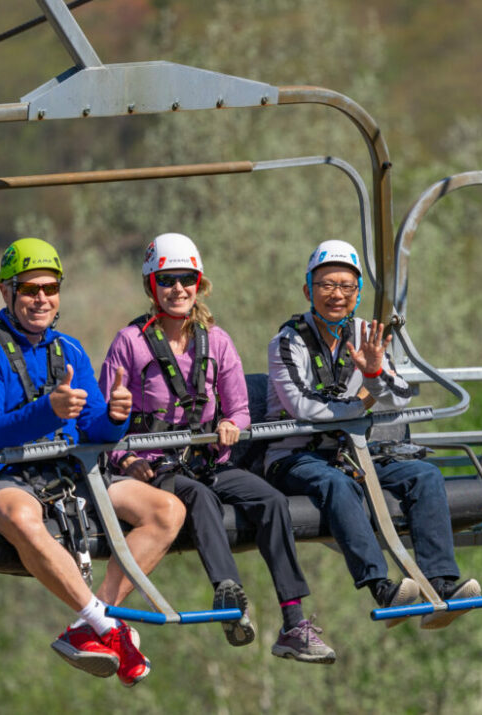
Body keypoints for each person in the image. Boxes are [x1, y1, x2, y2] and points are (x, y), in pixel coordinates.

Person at [0, 237, 186, 685]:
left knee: (167, 511)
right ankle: (107, 625)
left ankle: (89, 625)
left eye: (50, 289)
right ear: (7, 293)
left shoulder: (67, 350)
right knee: (20, 513)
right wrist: (46, 411)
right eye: (31, 289)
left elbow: (92, 428)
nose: (41, 299)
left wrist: (116, 417)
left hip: (66, 471)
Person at [99, 232, 335, 663]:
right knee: (200, 498)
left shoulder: (217, 342)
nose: (178, 289)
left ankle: (294, 620)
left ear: (198, 283)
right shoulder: (129, 345)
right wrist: (127, 459)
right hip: (159, 468)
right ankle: (227, 593)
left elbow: (240, 409)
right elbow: (105, 425)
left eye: (186, 279)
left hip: (209, 460)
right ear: (153, 285)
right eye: (167, 280)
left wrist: (230, 425)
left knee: (271, 501)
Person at [264, 239, 481, 629]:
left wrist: (375, 374)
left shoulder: (367, 334)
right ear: (308, 291)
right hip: (295, 457)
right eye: (327, 285)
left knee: (424, 474)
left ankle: (440, 582)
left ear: (357, 293)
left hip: (356, 454)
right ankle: (381, 585)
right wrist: (359, 405)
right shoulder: (287, 341)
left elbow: (399, 396)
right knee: (335, 484)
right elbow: (302, 407)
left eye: (346, 287)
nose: (337, 295)